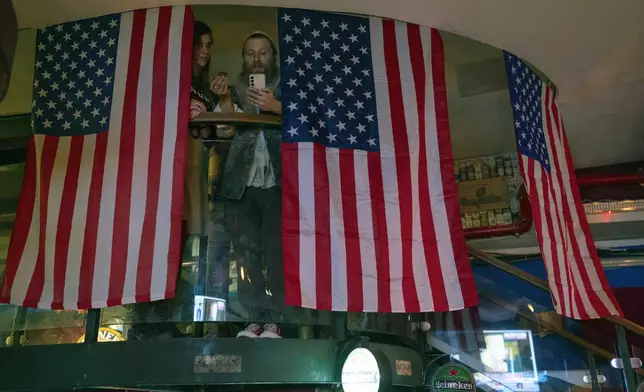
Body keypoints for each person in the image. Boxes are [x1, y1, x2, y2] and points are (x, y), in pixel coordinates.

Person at [216, 31, 284, 339]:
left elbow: (313, 120)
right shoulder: (234, 91)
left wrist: (277, 106)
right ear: (243, 59)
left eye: (263, 53)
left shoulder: (289, 88)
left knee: (277, 252)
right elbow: (225, 131)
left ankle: (277, 321)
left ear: (273, 57)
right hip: (242, 186)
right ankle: (254, 320)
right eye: (250, 53)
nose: (257, 58)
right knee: (246, 256)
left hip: (279, 183)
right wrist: (226, 101)